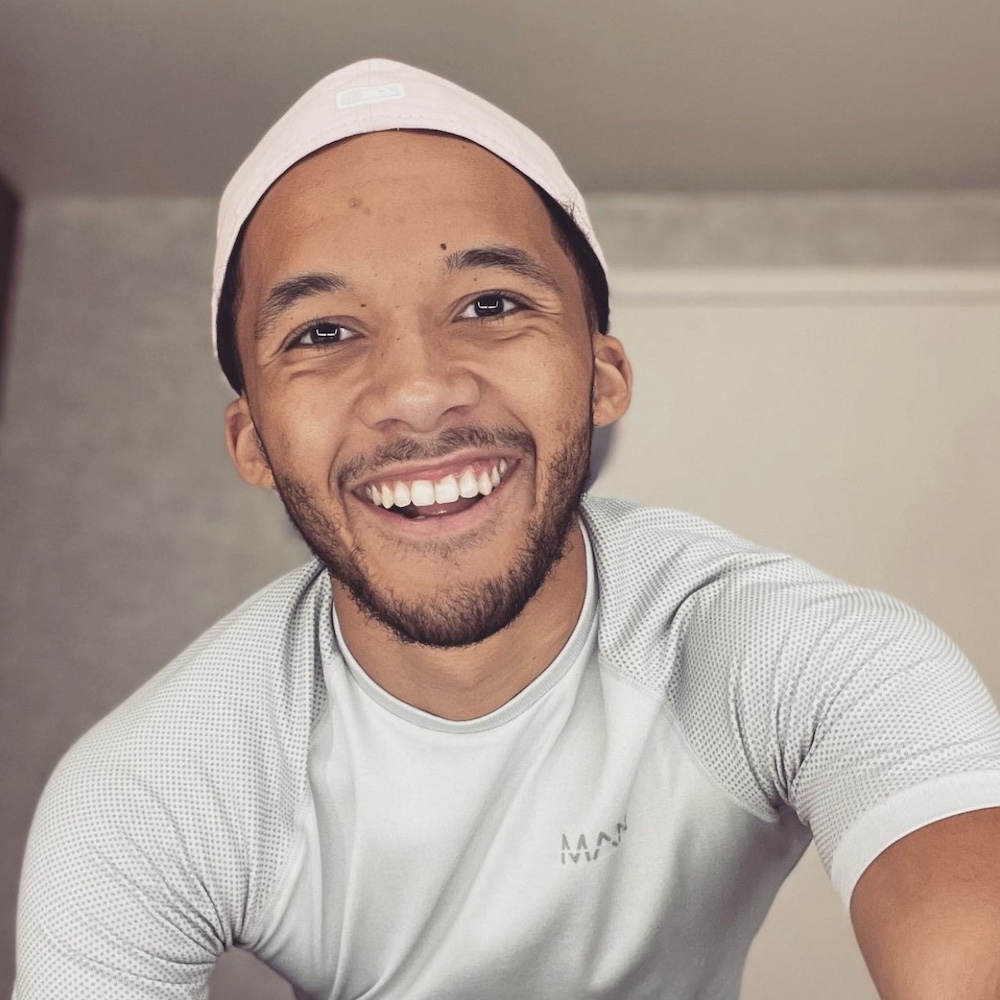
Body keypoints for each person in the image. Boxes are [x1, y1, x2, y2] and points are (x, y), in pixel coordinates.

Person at [13, 58, 1000, 1000]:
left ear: (600, 374)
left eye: (490, 304)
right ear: (252, 440)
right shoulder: (146, 789)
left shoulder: (797, 657)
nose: (416, 392)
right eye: (321, 332)